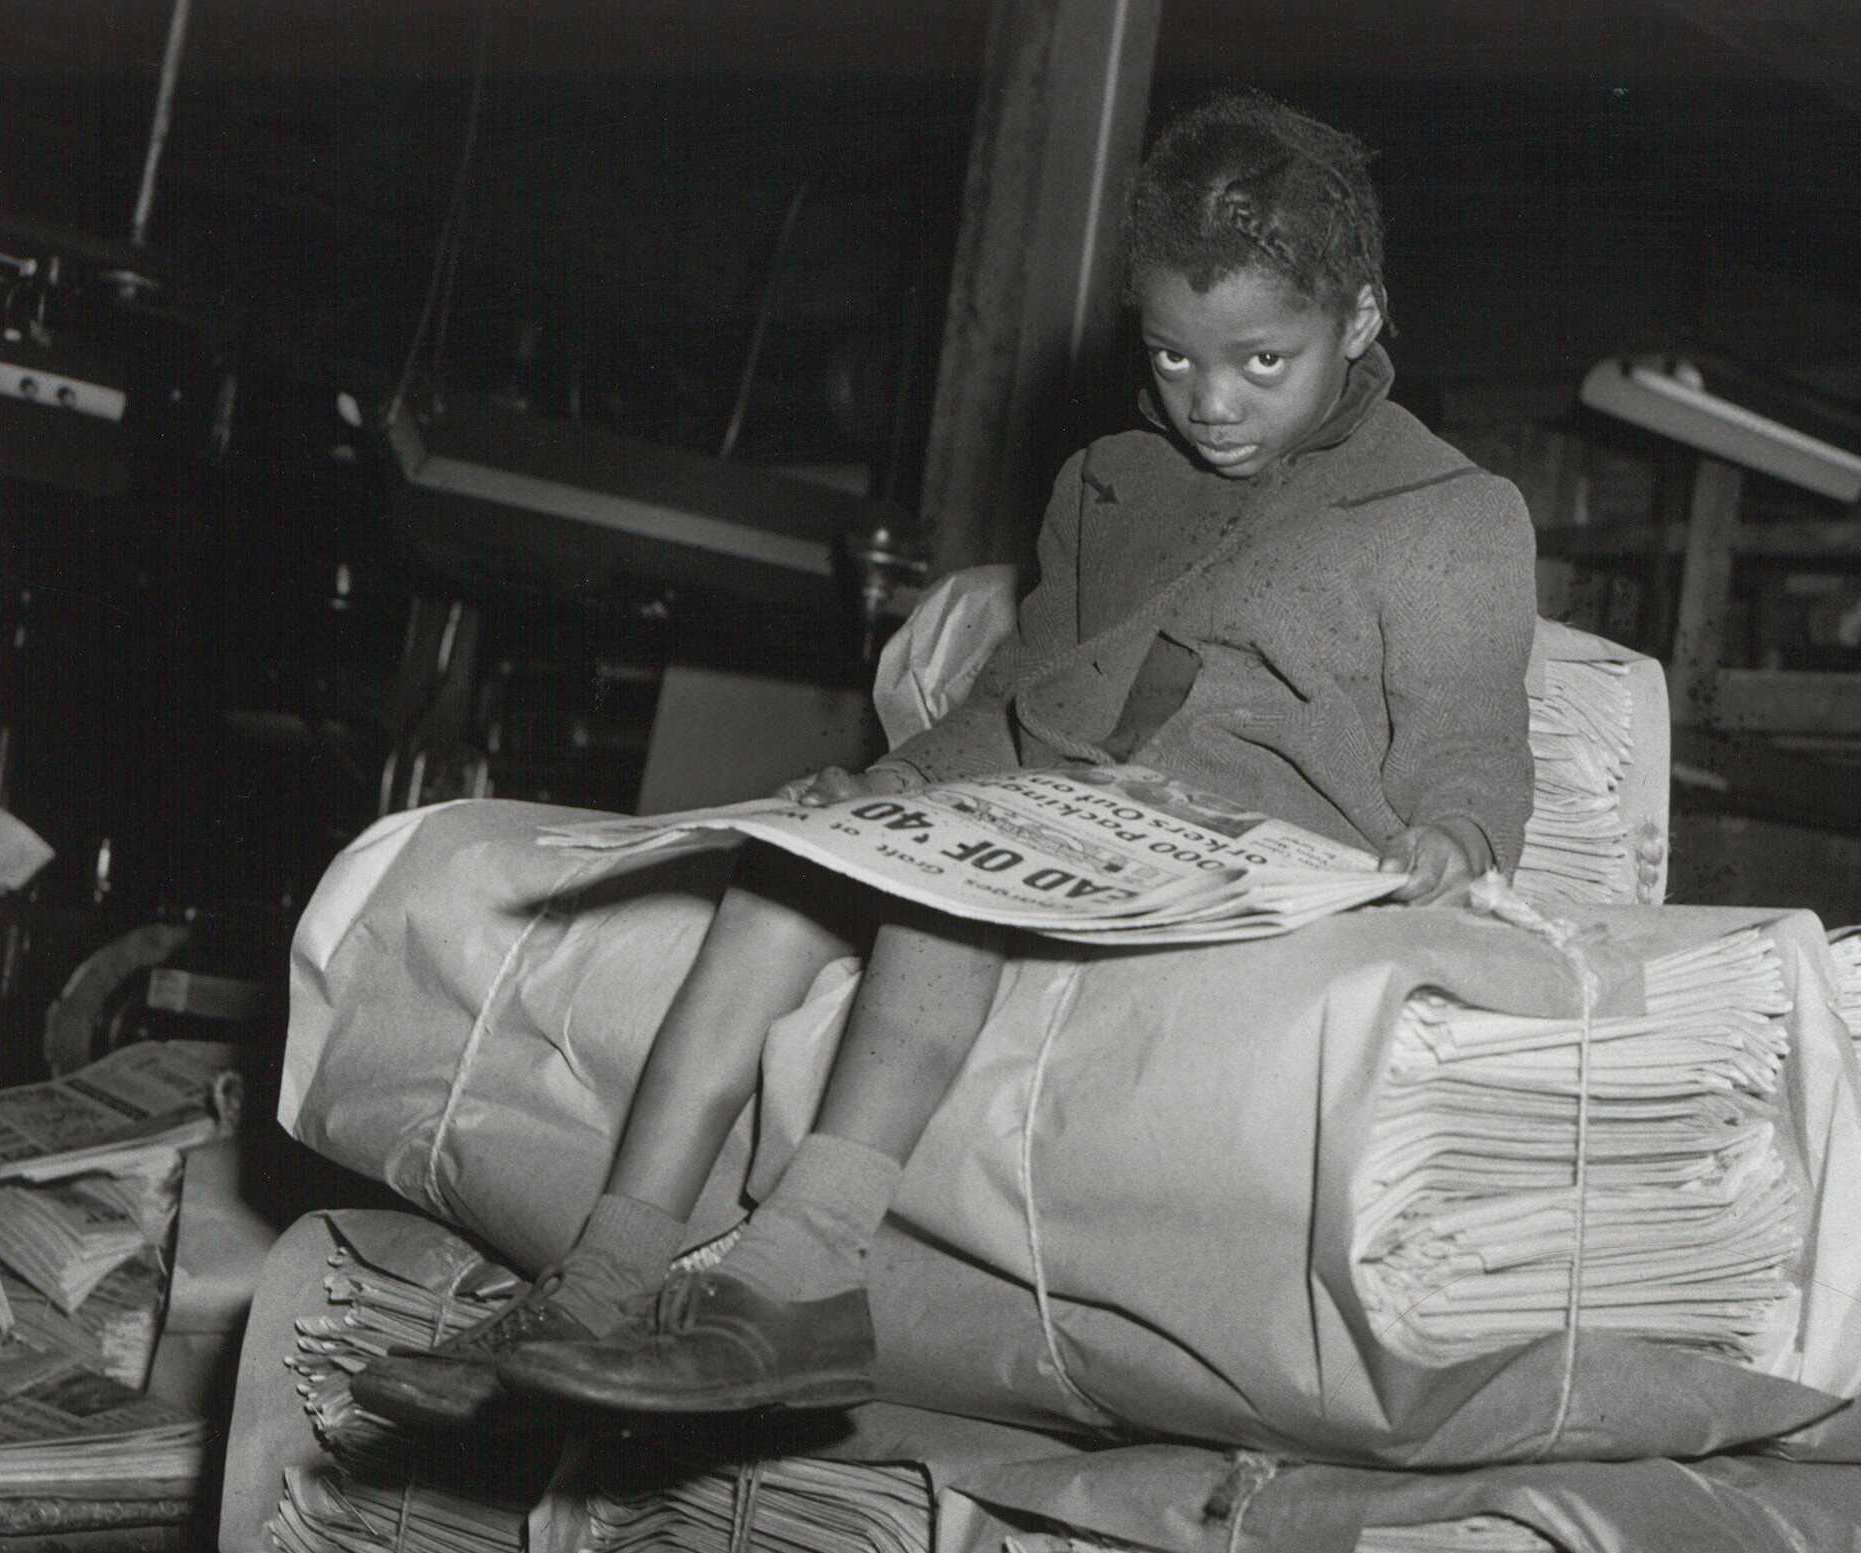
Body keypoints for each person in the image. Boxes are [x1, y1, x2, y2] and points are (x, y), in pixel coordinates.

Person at [352, 89, 1538, 1428]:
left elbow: (1476, 747)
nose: (1209, 401)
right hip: (1076, 828)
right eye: (1172, 358)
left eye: (1263, 362)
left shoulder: (1444, 511)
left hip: (1253, 877)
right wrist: (892, 791)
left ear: (1363, 321)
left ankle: (799, 1278)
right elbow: (1019, 707)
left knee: (951, 893)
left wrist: (1457, 838)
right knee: (779, 882)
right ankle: (601, 1276)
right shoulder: (1107, 481)